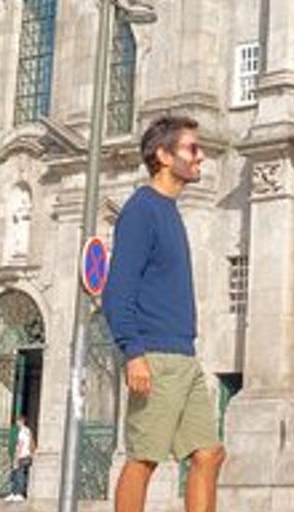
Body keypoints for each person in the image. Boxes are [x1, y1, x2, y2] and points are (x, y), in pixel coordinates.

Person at [103, 114, 226, 512]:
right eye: (192, 148)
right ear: (163, 155)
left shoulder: (170, 210)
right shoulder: (142, 210)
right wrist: (132, 351)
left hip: (183, 355)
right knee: (143, 458)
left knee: (209, 454)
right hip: (153, 355)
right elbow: (117, 289)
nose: (200, 156)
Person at [6, 414, 35, 501]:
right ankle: (14, 493)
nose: (16, 423)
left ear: (21, 421)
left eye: (18, 421)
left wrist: (17, 456)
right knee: (20, 474)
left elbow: (20, 444)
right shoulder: (28, 430)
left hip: (22, 455)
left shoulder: (22, 431)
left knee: (19, 474)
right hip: (27, 454)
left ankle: (18, 493)